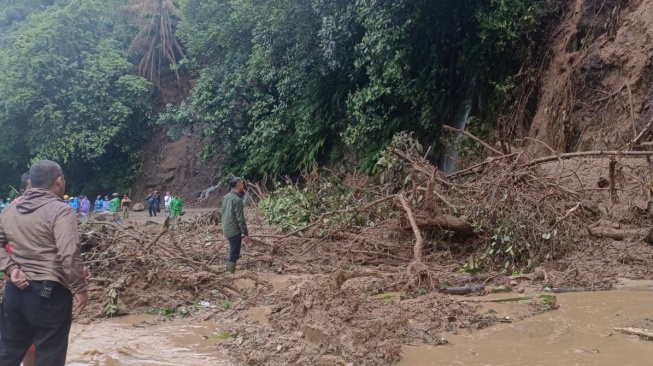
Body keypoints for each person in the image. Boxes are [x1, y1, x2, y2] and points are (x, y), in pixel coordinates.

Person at [0, 160, 91, 366]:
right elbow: (68, 255)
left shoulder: (8, 212)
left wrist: (12, 268)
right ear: (59, 181)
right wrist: (80, 289)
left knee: (7, 354)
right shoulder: (61, 211)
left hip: (14, 292)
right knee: (49, 358)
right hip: (49, 295)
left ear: (31, 182)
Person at [3, 172, 35, 366]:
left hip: (39, 284)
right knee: (18, 340)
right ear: (23, 191)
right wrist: (12, 269)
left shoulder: (48, 210)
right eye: (34, 189)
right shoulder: (9, 213)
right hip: (19, 284)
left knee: (34, 342)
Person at [221, 177, 249, 274]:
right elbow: (240, 219)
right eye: (242, 184)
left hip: (226, 229)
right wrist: (245, 233)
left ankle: (228, 272)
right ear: (238, 185)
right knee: (234, 254)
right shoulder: (237, 200)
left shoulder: (226, 197)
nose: (243, 186)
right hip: (234, 231)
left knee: (232, 252)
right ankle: (229, 275)